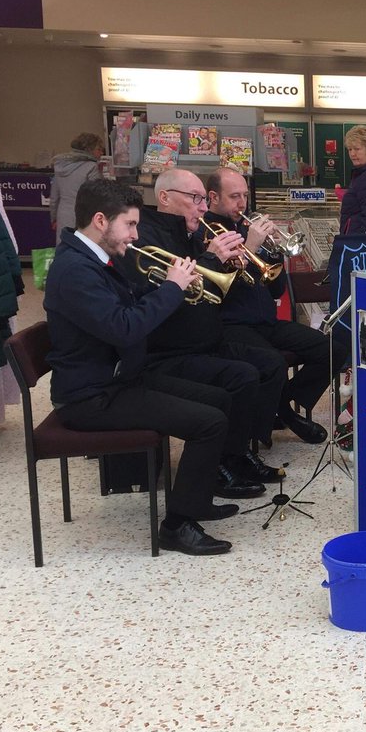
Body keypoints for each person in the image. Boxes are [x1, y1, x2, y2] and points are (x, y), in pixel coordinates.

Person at [44, 179, 236, 556]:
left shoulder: (92, 259)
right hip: (91, 396)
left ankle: (193, 501)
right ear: (101, 220)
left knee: (220, 399)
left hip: (117, 379)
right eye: (130, 225)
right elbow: (124, 328)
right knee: (209, 423)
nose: (135, 234)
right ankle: (177, 526)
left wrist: (166, 283)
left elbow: (125, 307)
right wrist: (172, 289)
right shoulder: (75, 271)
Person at [122, 168, 286, 495]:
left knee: (268, 365)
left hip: (204, 336)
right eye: (194, 199)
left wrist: (232, 263)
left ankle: (237, 454)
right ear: (165, 197)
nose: (201, 207)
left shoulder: (190, 231)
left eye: (202, 199)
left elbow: (215, 291)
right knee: (241, 378)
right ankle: (223, 463)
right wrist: (213, 260)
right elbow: (174, 296)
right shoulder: (148, 237)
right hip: (170, 349)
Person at [206, 167, 344, 444]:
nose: (242, 204)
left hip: (264, 321)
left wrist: (275, 252)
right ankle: (279, 416)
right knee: (272, 364)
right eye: (234, 197)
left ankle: (282, 404)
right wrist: (252, 249)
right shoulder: (207, 234)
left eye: (244, 195)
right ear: (213, 197)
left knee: (333, 349)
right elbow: (221, 290)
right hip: (231, 323)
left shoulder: (245, 228)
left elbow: (276, 289)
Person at [50, 132, 104, 243]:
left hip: (63, 214)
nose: (101, 153)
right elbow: (98, 194)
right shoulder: (91, 167)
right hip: (84, 216)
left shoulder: (60, 165)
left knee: (64, 247)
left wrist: (54, 218)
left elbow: (54, 197)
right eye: (99, 149)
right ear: (90, 149)